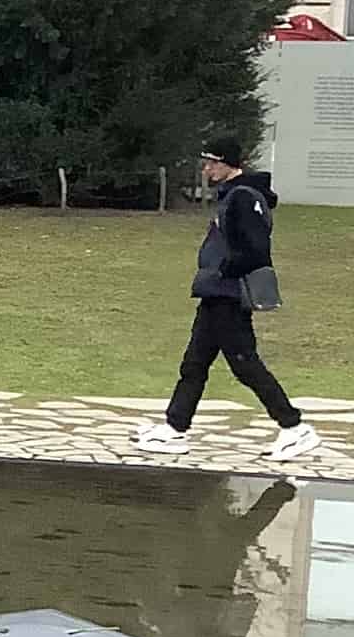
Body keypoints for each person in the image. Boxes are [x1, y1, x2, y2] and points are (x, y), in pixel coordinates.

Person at [134, 141, 323, 463]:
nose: (206, 170)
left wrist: (222, 270)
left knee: (245, 364)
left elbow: (255, 250)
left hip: (229, 295)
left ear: (228, 164)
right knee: (194, 364)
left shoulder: (243, 198)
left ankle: (294, 427)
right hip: (214, 292)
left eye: (211, 164)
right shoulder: (232, 195)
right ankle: (175, 428)